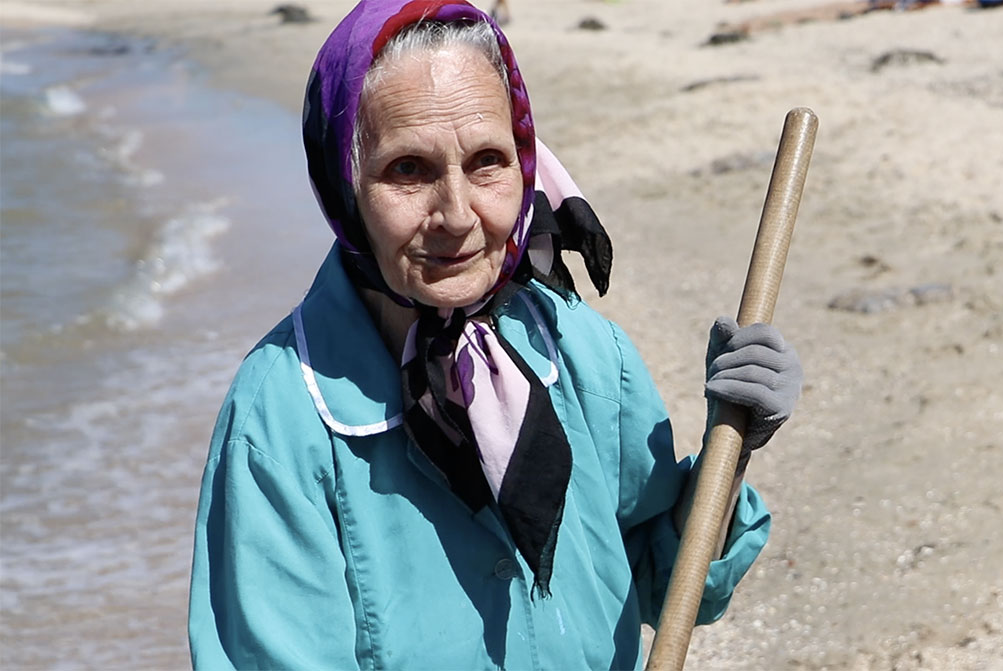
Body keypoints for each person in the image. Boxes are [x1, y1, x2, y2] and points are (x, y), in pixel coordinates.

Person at [187, 1, 803, 668]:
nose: (457, 215)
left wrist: (732, 446)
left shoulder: (583, 350)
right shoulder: (279, 420)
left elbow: (659, 580)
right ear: (345, 186)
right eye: (408, 169)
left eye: (486, 161)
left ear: (524, 163)